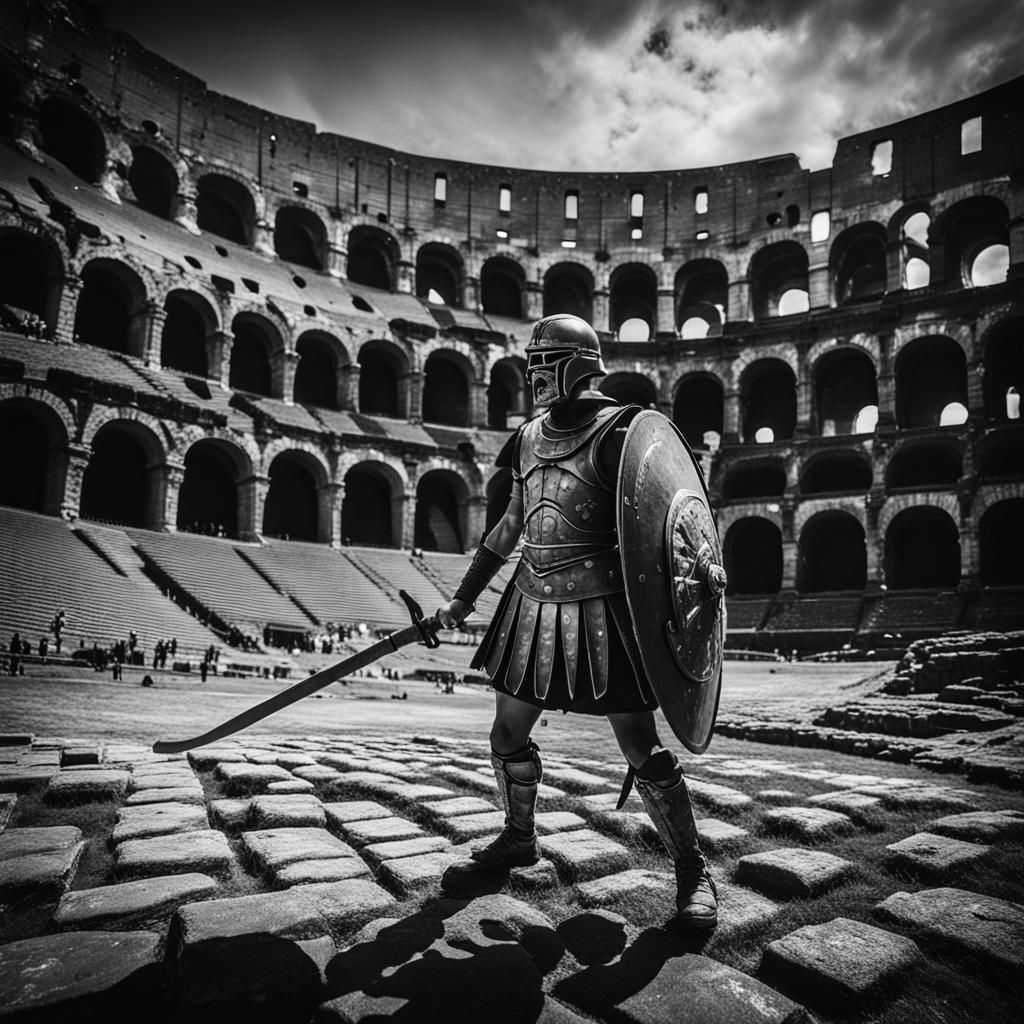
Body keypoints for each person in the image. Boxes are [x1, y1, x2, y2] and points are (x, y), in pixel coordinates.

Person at [436, 313, 717, 929]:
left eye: (544, 364)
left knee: (640, 745)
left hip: (604, 606)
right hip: (530, 601)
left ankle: (693, 869)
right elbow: (509, 528)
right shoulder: (527, 437)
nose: (534, 376)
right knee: (506, 733)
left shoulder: (623, 431)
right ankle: (518, 838)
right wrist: (462, 600)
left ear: (577, 366)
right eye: (530, 365)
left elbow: (659, 521)